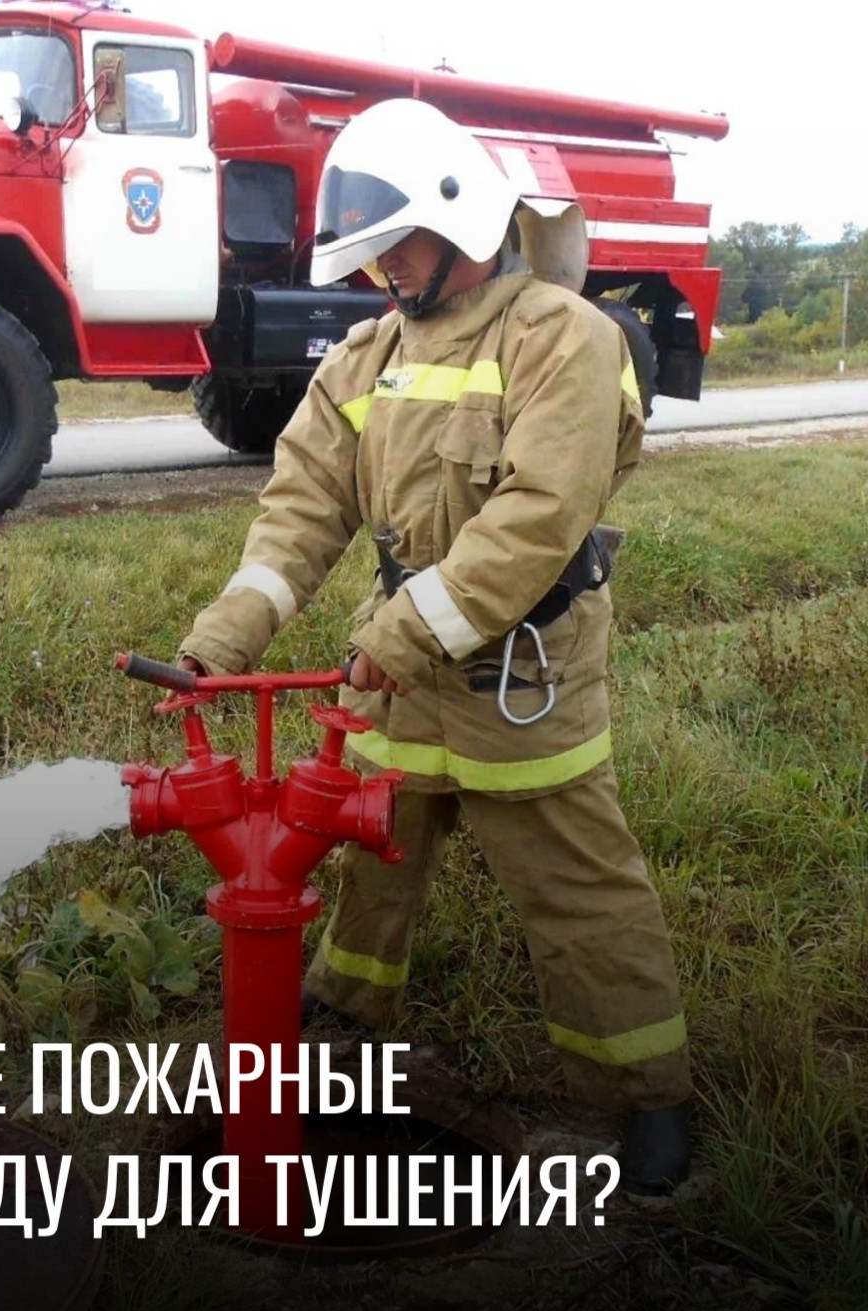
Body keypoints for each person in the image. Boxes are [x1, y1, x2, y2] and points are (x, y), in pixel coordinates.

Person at [176, 98, 691, 1195]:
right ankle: (348, 1024)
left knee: (578, 890)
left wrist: (397, 636)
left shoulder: (564, 337)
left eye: (391, 248)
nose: (376, 277)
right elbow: (301, 507)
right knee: (374, 857)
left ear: (462, 222)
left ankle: (644, 1099)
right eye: (364, 257)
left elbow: (538, 520)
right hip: (405, 675)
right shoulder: (363, 358)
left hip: (526, 678)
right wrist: (223, 639)